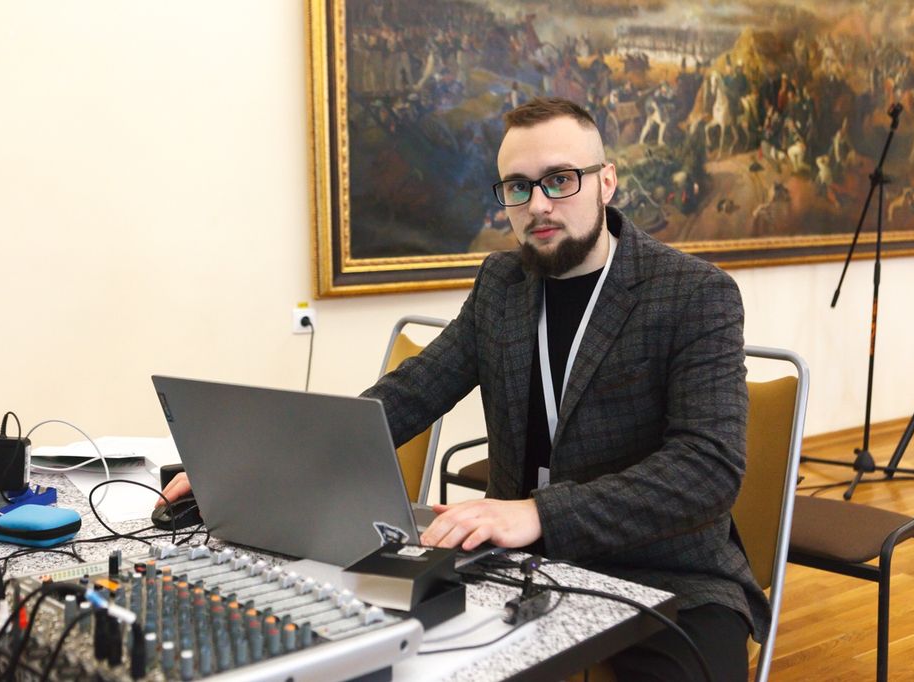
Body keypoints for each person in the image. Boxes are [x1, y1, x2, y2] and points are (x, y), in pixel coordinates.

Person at [161, 97, 768, 681]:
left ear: (606, 182)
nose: (538, 205)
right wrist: (254, 466)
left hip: (665, 574)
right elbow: (408, 395)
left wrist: (538, 512)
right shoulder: (503, 283)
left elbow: (706, 469)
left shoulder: (694, 293)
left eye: (560, 180)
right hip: (518, 565)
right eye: (518, 187)